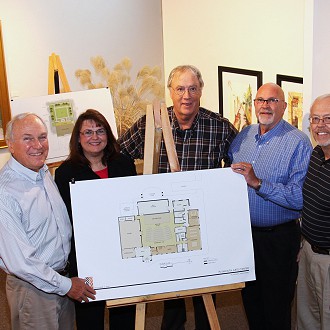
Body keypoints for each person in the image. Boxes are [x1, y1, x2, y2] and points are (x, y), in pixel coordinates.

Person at [119, 65, 237, 330]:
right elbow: (120, 155)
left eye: (193, 89)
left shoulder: (218, 126)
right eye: (180, 89)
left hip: (201, 219)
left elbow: (236, 168)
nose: (187, 95)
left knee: (205, 283)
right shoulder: (152, 122)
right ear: (170, 92)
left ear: (200, 92)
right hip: (162, 220)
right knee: (169, 284)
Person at [0, 113, 96, 329]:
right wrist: (66, 286)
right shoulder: (5, 192)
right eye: (27, 138)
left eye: (42, 137)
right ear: (10, 145)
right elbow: (21, 263)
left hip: (61, 281)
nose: (38, 145)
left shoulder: (42, 171)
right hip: (33, 291)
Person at [229, 82, 313, 330]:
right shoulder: (243, 136)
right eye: (261, 100)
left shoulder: (298, 142)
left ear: (284, 106)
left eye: (273, 100)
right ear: (254, 104)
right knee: (251, 303)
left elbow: (299, 197)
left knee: (276, 309)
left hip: (278, 240)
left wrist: (257, 183)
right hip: (245, 238)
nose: (266, 105)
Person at [55, 109, 136, 330]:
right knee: (89, 317)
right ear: (78, 138)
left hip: (122, 252)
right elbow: (64, 219)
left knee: (124, 313)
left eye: (100, 131)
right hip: (87, 256)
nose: (95, 137)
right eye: (88, 132)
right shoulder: (65, 173)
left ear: (107, 135)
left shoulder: (124, 164)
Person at [297, 94, 330, 329]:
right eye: (316, 119)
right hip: (308, 251)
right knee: (307, 318)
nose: (320, 125)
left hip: (328, 260)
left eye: (328, 119)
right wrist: (303, 243)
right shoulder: (316, 154)